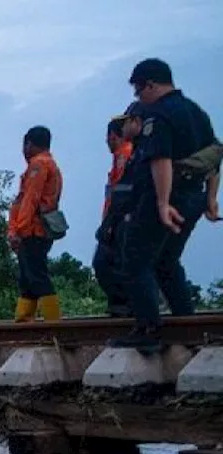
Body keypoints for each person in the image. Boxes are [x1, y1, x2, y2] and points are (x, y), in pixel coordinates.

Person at [112, 58, 220, 351]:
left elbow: (161, 160)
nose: (138, 98)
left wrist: (161, 204)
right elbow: (213, 157)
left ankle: (149, 330)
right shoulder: (196, 112)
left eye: (138, 91)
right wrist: (211, 199)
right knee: (166, 261)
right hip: (194, 197)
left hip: (167, 198)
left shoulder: (158, 115)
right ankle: (189, 326)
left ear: (151, 84)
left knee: (135, 259)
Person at [7, 126, 63, 322]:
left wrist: (18, 230)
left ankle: (53, 325)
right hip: (35, 230)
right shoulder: (49, 164)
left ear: (29, 144)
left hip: (33, 230)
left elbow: (30, 200)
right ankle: (24, 323)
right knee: (27, 279)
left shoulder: (39, 165)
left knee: (37, 277)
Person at [94, 111, 138, 317]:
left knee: (105, 262)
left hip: (121, 219)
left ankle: (124, 304)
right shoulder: (124, 156)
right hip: (120, 218)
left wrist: (109, 222)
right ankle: (122, 305)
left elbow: (120, 193)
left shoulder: (124, 155)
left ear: (113, 136)